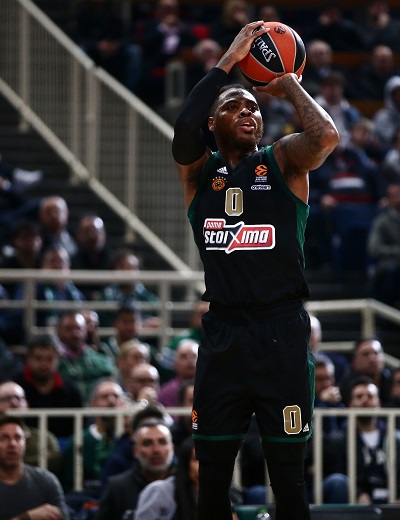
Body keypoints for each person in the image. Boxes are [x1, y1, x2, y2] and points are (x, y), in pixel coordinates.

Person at [172, 19, 339, 520]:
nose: (248, 111)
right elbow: (183, 130)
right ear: (212, 123)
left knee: (288, 479)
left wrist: (286, 81)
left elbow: (326, 136)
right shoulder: (198, 173)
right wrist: (229, 61)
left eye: (254, 107)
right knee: (212, 478)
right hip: (223, 335)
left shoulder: (283, 160)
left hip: (280, 332)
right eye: (234, 106)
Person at [323, 377, 400, 504]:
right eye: (359, 396)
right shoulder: (338, 440)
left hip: (391, 498)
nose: (364, 400)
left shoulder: (396, 439)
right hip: (353, 501)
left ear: (379, 404)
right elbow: (337, 470)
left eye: (370, 396)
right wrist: (358, 493)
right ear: (350, 405)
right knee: (337, 482)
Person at [96, 417, 175, 520]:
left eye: (162, 442)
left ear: (172, 448)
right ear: (135, 451)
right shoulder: (117, 489)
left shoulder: (188, 484)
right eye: (147, 443)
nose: (156, 450)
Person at [12, 333, 83, 441]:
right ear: (28, 358)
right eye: (38, 358)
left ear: (58, 358)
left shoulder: (72, 391)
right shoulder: (14, 388)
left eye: (50, 359)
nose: (43, 364)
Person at [60, 378, 126, 494]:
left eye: (116, 396)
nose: (111, 401)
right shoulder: (79, 441)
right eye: (105, 397)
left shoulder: (131, 440)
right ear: (93, 404)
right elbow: (68, 484)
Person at [0, 416, 69, 520]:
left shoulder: (46, 481)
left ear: (25, 442)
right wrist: (26, 517)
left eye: (18, 438)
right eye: (4, 438)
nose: (12, 444)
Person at [0, 381, 62, 476]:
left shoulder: (44, 437)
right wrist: (40, 458)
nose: (14, 403)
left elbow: (55, 463)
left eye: (19, 398)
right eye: (6, 398)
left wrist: (8, 461)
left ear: (27, 405)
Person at [56, 311, 115, 404]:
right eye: (68, 329)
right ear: (59, 331)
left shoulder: (101, 360)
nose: (75, 333)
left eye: (79, 328)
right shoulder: (53, 362)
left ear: (85, 331)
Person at [367, 182, 400, 308]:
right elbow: (374, 248)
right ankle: (386, 313)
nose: (398, 198)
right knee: (391, 270)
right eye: (395, 195)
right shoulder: (381, 221)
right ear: (388, 200)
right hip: (389, 263)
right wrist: (396, 251)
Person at [339, 336, 393, 406]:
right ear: (354, 360)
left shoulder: (393, 382)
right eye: (366, 354)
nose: (372, 358)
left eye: (376, 353)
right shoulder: (344, 387)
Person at [158, 338, 198, 409]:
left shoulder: (213, 387)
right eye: (184, 356)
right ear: (175, 363)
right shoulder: (166, 393)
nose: (189, 360)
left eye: (194, 356)